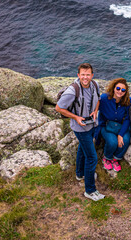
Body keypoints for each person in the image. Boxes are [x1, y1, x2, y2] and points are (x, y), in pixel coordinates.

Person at [55, 63, 105, 201]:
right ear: (78, 75)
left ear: (92, 75)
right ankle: (90, 190)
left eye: (88, 74)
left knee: (83, 150)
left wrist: (95, 111)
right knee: (92, 157)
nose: (85, 77)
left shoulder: (95, 85)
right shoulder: (72, 91)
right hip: (80, 128)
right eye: (83, 74)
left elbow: (98, 100)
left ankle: (80, 174)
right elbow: (59, 108)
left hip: (91, 124)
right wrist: (76, 117)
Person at [95, 78, 131, 172]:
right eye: (118, 88)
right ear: (114, 88)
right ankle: (107, 158)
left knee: (126, 140)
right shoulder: (104, 98)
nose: (120, 91)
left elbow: (128, 118)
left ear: (126, 92)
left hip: (121, 126)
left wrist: (121, 134)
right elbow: (93, 106)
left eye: (123, 90)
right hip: (106, 126)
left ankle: (116, 159)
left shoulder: (128, 101)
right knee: (112, 142)